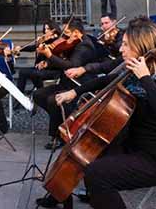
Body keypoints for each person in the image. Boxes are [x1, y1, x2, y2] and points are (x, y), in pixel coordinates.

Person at [42, 17, 156, 209]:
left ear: (141, 46)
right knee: (88, 153)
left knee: (96, 174)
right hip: (134, 148)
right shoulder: (131, 75)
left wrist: (145, 77)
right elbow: (105, 80)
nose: (121, 49)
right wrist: (73, 92)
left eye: (126, 44)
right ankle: (61, 195)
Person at [32, 18, 97, 148]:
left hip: (78, 86)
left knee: (53, 100)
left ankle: (57, 137)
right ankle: (62, 120)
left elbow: (71, 65)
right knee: (38, 94)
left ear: (77, 33)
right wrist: (47, 63)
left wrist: (50, 56)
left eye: (67, 32)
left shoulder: (85, 46)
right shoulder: (71, 43)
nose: (64, 36)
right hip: (65, 83)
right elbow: (62, 62)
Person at [66, 14, 123, 81]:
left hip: (115, 63)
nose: (104, 26)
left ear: (114, 22)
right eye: (102, 24)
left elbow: (119, 49)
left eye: (106, 23)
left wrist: (110, 43)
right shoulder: (102, 35)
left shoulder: (121, 34)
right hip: (102, 62)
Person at [15, 20, 61, 93]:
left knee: (25, 72)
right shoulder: (45, 41)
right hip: (41, 69)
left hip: (52, 70)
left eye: (48, 29)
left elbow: (57, 59)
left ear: (54, 29)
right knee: (25, 72)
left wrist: (45, 63)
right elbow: (33, 48)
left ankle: (24, 94)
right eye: (45, 29)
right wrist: (20, 48)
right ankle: (39, 92)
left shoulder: (58, 42)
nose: (46, 31)